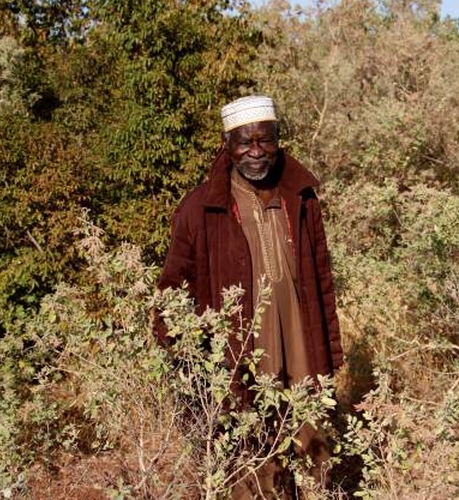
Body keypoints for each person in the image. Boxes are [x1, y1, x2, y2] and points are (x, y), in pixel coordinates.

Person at [157, 95, 343, 497]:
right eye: (245, 142)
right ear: (228, 144)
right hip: (242, 350)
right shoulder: (200, 208)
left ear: (278, 141)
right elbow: (173, 286)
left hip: (299, 339)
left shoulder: (301, 198)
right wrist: (185, 360)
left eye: (265, 141)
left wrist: (329, 348)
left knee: (310, 437)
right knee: (251, 444)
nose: (256, 152)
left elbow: (322, 277)